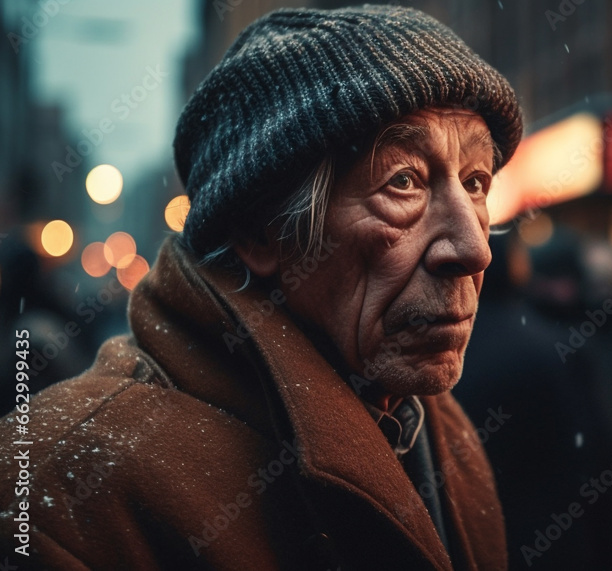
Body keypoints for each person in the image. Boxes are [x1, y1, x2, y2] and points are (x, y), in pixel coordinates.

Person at [0, 6, 522, 570]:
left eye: (475, 182)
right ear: (260, 231)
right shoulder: (57, 481)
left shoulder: (443, 433)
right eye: (403, 182)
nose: (475, 248)